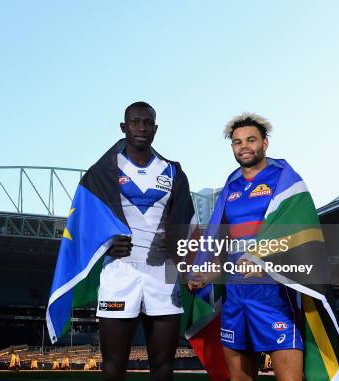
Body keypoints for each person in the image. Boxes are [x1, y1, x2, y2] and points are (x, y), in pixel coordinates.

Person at [189, 113, 304, 381]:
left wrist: (261, 256)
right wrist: (206, 274)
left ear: (265, 143)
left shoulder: (284, 178)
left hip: (275, 293)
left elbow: (299, 228)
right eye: (237, 142)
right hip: (236, 294)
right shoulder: (231, 186)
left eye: (251, 140)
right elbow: (220, 244)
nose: (244, 146)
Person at [97, 101, 195, 381]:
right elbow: (84, 220)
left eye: (148, 122)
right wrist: (105, 243)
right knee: (113, 367)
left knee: (163, 368)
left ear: (155, 128)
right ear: (123, 127)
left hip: (162, 273)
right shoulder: (104, 169)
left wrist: (177, 244)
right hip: (118, 272)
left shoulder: (173, 171)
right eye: (136, 122)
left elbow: (188, 222)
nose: (142, 127)